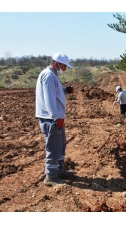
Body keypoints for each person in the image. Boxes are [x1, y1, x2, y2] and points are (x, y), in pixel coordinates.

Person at [36, 52, 75, 186]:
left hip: (56, 118)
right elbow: (49, 99)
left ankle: (59, 171)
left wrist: (65, 90)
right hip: (51, 118)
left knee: (61, 145)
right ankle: (51, 177)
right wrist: (56, 117)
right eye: (64, 66)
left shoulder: (53, 75)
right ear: (56, 64)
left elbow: (56, 93)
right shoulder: (48, 75)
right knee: (53, 147)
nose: (64, 69)